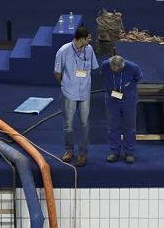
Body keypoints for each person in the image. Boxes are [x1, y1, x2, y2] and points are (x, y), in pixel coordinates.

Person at [54, 25, 99, 167]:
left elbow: (92, 67)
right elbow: (57, 72)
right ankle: (69, 150)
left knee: (85, 124)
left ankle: (83, 153)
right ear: (81, 39)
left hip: (85, 92)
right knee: (69, 125)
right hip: (69, 92)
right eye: (88, 38)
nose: (90, 40)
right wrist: (65, 84)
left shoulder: (89, 49)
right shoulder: (63, 51)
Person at [100, 55, 142, 164]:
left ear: (123, 66)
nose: (116, 73)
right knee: (113, 126)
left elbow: (138, 78)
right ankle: (114, 151)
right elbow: (103, 76)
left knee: (129, 126)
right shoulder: (105, 65)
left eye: (118, 71)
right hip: (111, 99)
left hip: (129, 100)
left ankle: (129, 152)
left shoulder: (132, 67)